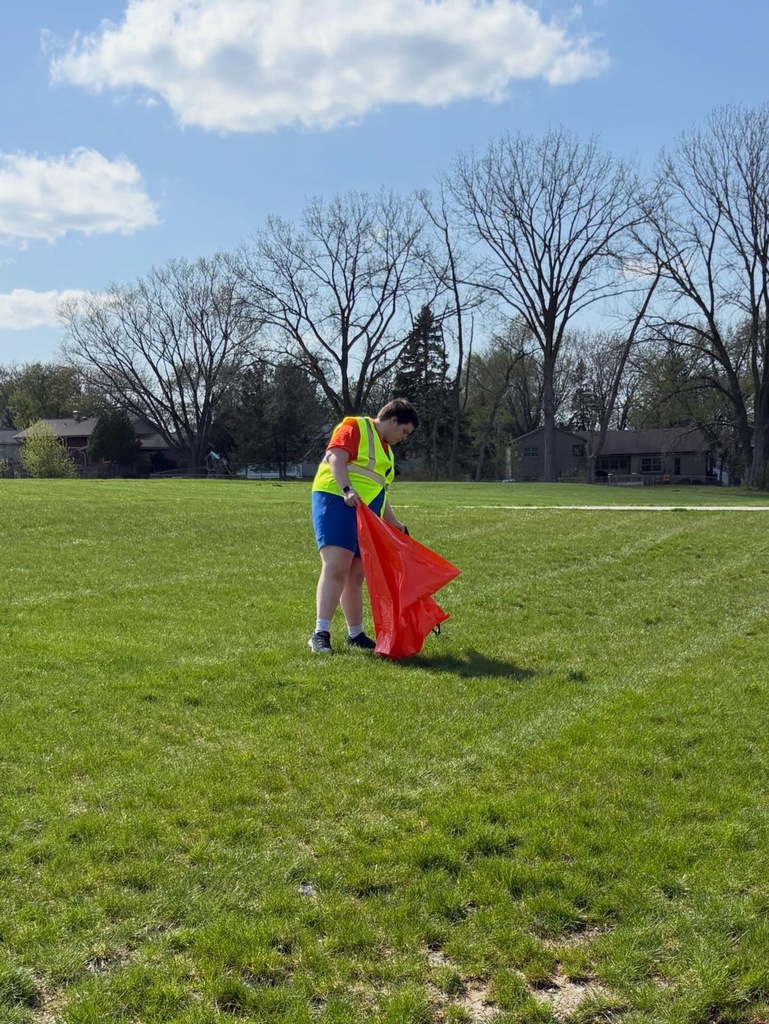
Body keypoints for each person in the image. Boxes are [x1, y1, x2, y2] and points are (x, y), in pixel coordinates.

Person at [308, 398, 419, 654]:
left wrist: (397, 526)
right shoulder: (356, 427)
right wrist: (346, 489)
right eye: (404, 431)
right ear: (393, 420)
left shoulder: (387, 452)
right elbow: (336, 457)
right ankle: (320, 632)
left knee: (356, 574)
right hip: (335, 500)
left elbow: (380, 493)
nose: (404, 438)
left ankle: (355, 634)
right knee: (337, 566)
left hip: (364, 515)